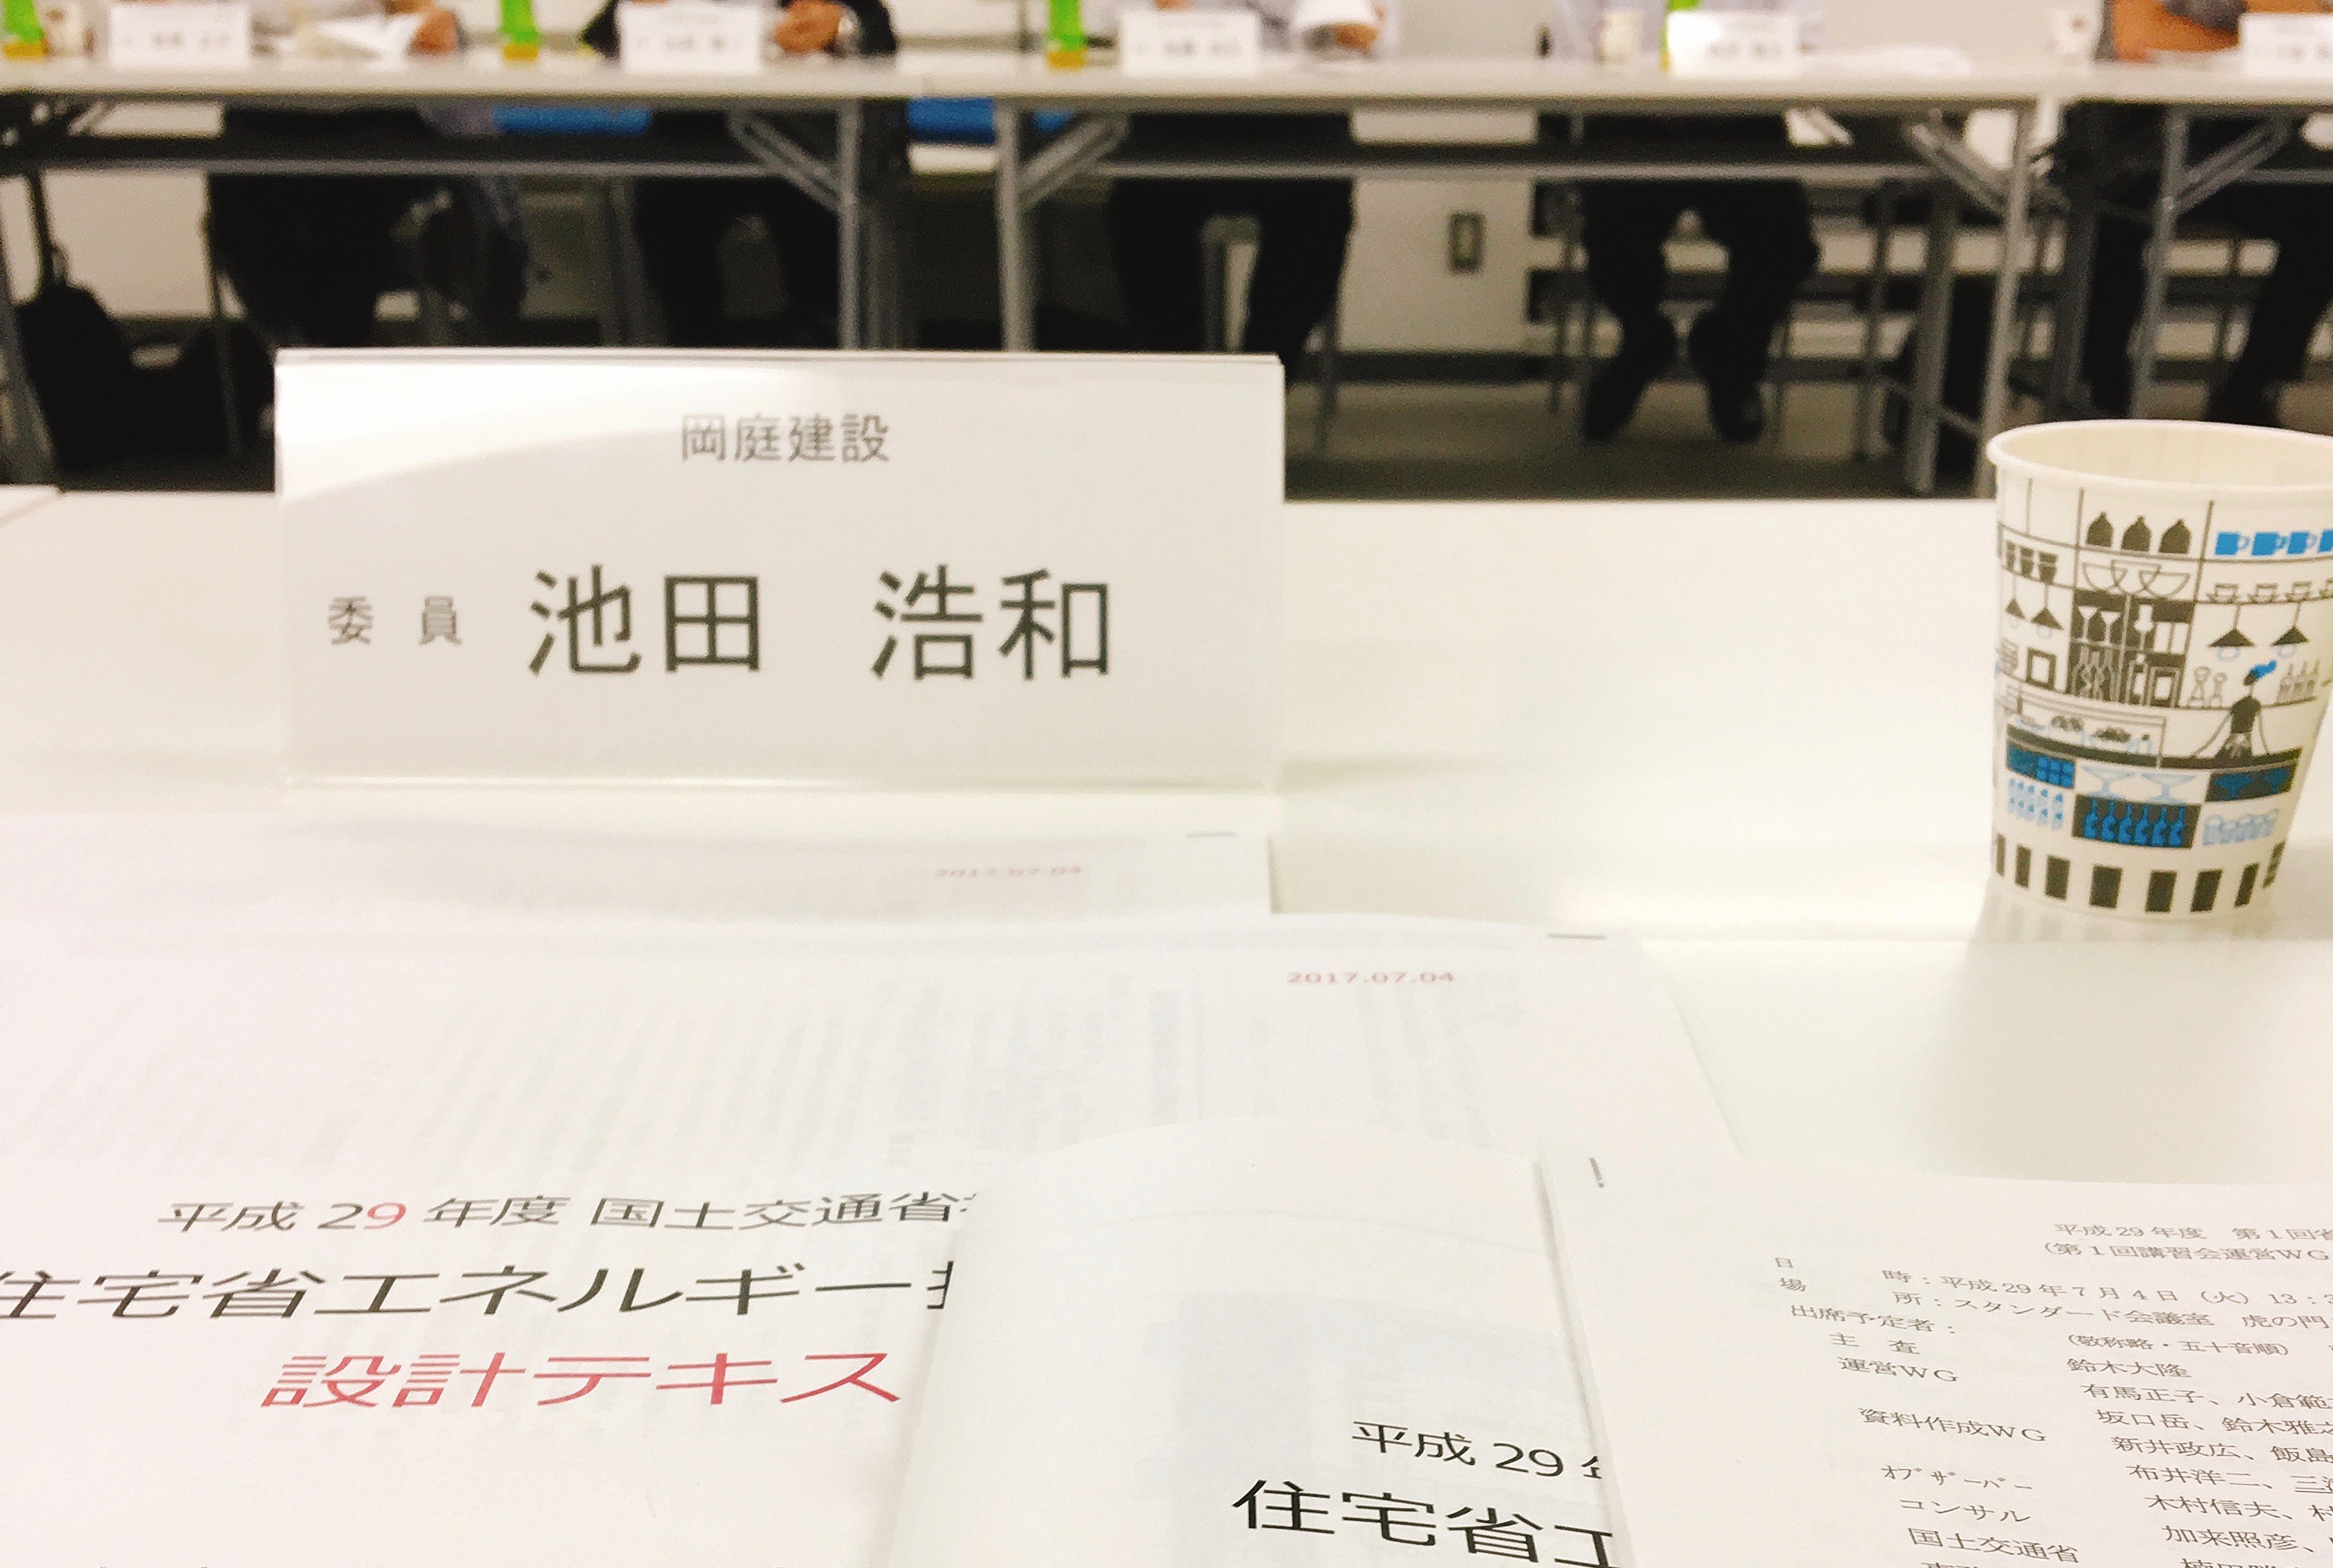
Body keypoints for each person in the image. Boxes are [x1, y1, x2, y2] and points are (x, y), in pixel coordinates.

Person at [1543, 0, 1823, 443]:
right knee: (1612, 228)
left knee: (1784, 243)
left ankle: (1729, 355)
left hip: (1741, 120)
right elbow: (1571, 53)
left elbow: (1804, 42)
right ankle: (1644, 339)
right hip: (1632, 118)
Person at [2072, 0, 2333, 427]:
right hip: (2136, 139)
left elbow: (2309, 32)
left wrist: (2270, 37)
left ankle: (2252, 388)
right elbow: (2139, 41)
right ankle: (2099, 386)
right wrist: (2260, 39)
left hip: (2248, 139)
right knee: (2111, 211)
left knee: (2325, 209)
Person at [582, 0, 898, 347]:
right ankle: (693, 347)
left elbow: (878, 30)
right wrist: (637, 13)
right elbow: (602, 35)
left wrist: (841, 25)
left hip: (804, 134)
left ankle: (825, 341)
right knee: (665, 216)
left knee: (818, 209)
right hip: (699, 135)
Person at [1102, 0, 1392, 377]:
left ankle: (1261, 378)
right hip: (1179, 110)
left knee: (1319, 211)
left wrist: (1348, 27)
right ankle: (1180, 380)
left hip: (1299, 116)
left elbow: (1378, 37)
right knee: (1141, 210)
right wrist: (1160, 20)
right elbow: (1114, 25)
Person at [206, 0, 510, 347]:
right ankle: (308, 342)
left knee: (349, 196)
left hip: (373, 105)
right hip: (264, 107)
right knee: (241, 196)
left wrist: (419, 21)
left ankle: (333, 343)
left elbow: (434, 30)